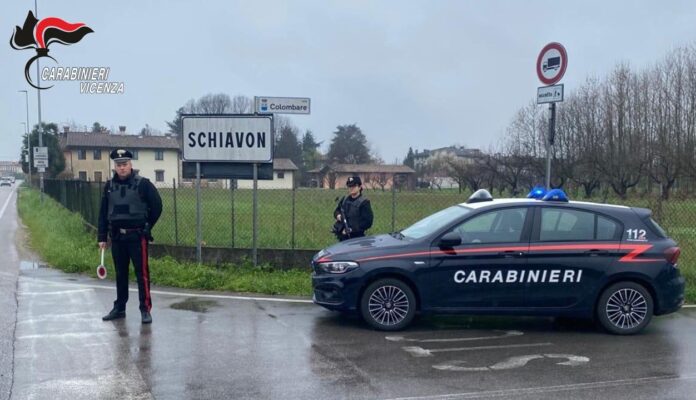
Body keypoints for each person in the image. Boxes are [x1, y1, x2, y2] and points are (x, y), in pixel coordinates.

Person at [98, 149, 162, 324]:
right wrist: (102, 237)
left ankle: (145, 309)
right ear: (115, 167)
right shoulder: (109, 186)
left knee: (142, 274)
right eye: (119, 165)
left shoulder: (143, 184)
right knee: (120, 274)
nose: (122, 168)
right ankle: (119, 308)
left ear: (130, 165)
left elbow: (157, 206)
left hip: (137, 237)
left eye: (125, 164)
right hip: (117, 238)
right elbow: (103, 212)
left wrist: (148, 226)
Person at [333, 175, 374, 241]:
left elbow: (368, 222)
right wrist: (339, 216)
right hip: (342, 236)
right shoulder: (345, 200)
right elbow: (336, 211)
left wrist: (351, 229)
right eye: (349, 186)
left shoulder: (364, 203)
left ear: (360, 187)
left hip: (357, 238)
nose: (351, 188)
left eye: (354, 186)